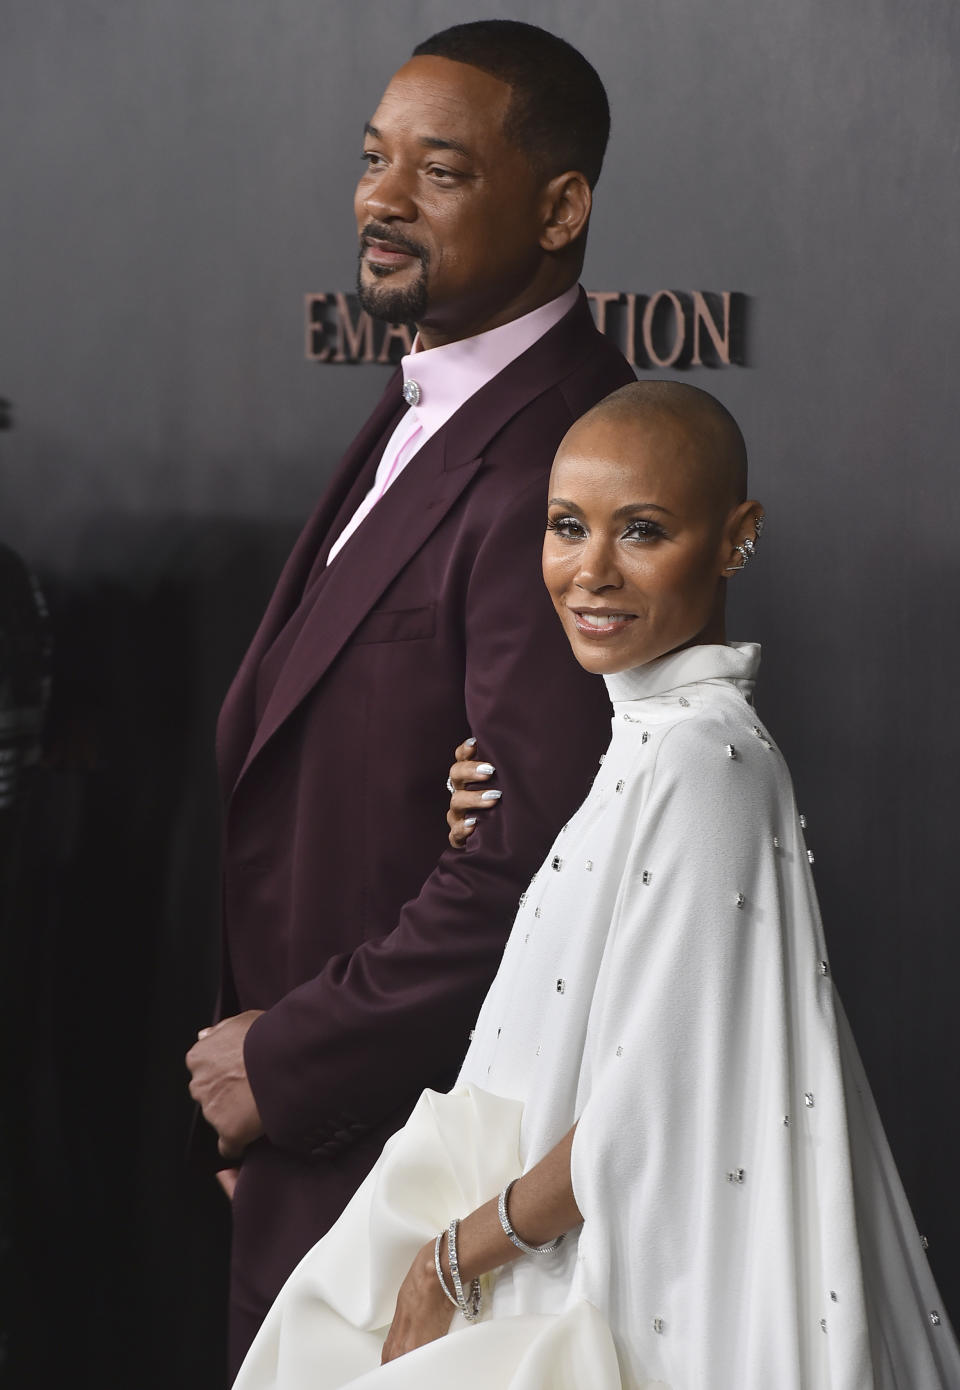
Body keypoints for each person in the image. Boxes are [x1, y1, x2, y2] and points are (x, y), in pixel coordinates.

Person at [231, 381, 960, 1390]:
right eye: (567, 526)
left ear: (734, 538)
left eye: (643, 530)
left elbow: (646, 1105)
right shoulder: (651, 740)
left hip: (590, 1280)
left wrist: (451, 1260)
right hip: (557, 1255)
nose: (590, 571)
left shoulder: (703, 760)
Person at [184, 19, 634, 1372]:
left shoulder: (570, 454)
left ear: (560, 208)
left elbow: (525, 871)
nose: (380, 199)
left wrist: (286, 1068)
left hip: (428, 1186)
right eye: (373, 161)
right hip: (322, 1162)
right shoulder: (424, 401)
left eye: (436, 171)